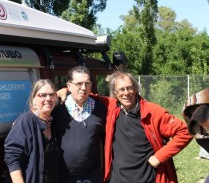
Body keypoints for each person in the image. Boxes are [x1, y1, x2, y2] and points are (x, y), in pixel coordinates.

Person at [57, 70, 193, 183]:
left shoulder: (153, 112)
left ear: (136, 88)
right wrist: (65, 90)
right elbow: (83, 93)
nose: (126, 93)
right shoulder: (111, 106)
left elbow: (185, 132)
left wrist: (159, 157)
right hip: (117, 179)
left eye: (130, 88)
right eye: (121, 89)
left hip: (146, 178)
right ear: (115, 93)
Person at [52, 65, 107, 183]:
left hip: (92, 176)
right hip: (63, 176)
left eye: (87, 84)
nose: (83, 88)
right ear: (69, 86)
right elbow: (38, 113)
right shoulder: (57, 106)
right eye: (79, 84)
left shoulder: (101, 107)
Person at [4, 79, 62, 183]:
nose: (48, 98)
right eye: (42, 95)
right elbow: (12, 157)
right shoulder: (26, 121)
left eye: (52, 95)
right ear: (34, 99)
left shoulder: (52, 123)